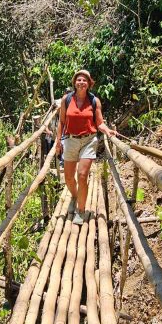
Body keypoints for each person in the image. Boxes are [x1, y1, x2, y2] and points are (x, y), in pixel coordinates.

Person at [54, 69, 117, 225]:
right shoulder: (66, 100)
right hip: (70, 140)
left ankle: (81, 211)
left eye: (84, 80)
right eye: (79, 80)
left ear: (89, 84)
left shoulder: (94, 101)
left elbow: (99, 123)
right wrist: (58, 142)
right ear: (75, 82)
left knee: (82, 175)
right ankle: (75, 196)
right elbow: (61, 122)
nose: (81, 82)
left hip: (88, 140)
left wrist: (108, 131)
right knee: (69, 177)